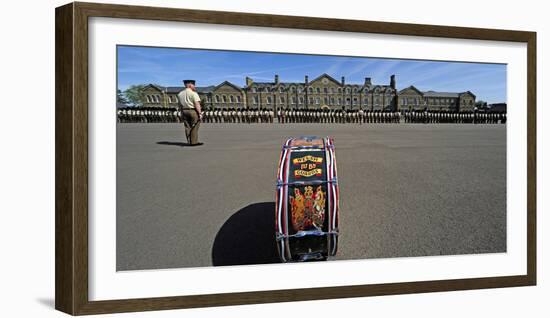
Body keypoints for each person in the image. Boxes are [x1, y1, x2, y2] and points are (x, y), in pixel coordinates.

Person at [177, 79, 203, 146]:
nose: (194, 86)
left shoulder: (180, 94)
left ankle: (189, 141)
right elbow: (197, 104)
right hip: (193, 111)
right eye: (194, 85)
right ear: (190, 85)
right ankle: (194, 142)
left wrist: (182, 112)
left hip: (184, 110)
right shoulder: (193, 93)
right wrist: (200, 113)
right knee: (194, 126)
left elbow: (179, 105)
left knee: (187, 126)